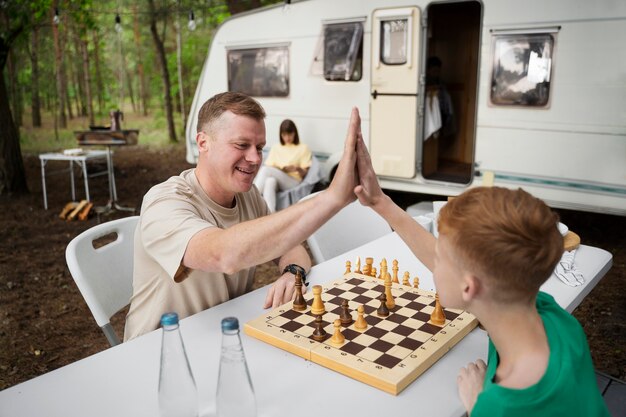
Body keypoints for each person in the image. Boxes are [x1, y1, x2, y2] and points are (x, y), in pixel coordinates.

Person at [352, 131, 609, 416]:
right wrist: (381, 203)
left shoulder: (499, 407)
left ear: (468, 287)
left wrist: (477, 404)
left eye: (440, 256)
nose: (434, 258)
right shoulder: (550, 315)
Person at [124, 92, 361, 341]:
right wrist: (330, 198)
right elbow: (223, 254)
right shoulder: (164, 201)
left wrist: (293, 272)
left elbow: (290, 247)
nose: (255, 159)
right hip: (156, 351)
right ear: (203, 143)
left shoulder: (248, 195)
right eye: (241, 145)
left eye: (259, 147)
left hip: (221, 335)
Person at [253, 119, 312, 212]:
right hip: (278, 177)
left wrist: (297, 168)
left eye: (290, 134)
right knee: (270, 181)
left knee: (265, 170)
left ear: (295, 133)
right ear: (281, 135)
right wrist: (280, 169)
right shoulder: (276, 147)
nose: (287, 138)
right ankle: (270, 213)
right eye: (284, 135)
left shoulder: (303, 148)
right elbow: (270, 164)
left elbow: (305, 173)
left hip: (293, 181)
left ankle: (250, 197)